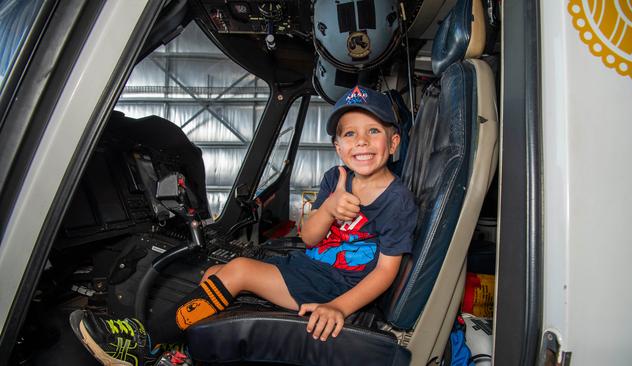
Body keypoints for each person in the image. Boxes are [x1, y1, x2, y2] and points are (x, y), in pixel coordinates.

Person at [69, 85, 418, 365]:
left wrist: (339, 307)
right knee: (215, 274)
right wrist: (328, 208)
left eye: (374, 131)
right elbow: (310, 237)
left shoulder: (397, 200)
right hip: (310, 266)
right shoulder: (335, 178)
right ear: (338, 147)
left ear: (393, 142)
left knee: (236, 273)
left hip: (337, 286)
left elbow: (386, 272)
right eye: (351, 134)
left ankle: (143, 343)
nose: (362, 141)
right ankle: (180, 352)